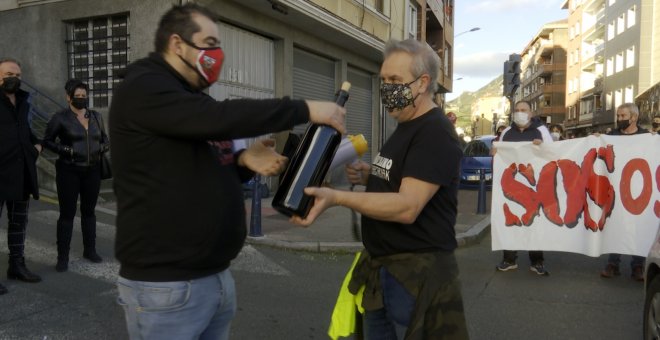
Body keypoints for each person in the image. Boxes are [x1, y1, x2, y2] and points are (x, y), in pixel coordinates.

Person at [109, 4, 345, 339]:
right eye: (208, 42)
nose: (217, 53)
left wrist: (242, 163)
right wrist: (304, 109)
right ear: (177, 44)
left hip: (212, 278)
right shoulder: (146, 88)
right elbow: (221, 117)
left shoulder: (188, 100)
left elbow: (193, 172)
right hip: (167, 286)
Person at [291, 39, 468, 339]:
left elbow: (407, 206)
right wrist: (369, 175)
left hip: (415, 279)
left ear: (423, 83)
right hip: (383, 273)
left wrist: (337, 198)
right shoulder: (406, 125)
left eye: (395, 80)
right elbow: (399, 178)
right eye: (383, 80)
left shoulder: (434, 132)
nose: (386, 88)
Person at [42, 79, 109, 272]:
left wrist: (102, 147)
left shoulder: (96, 116)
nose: (81, 99)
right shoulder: (60, 118)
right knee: (67, 214)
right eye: (77, 96)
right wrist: (67, 150)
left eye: (83, 96)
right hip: (68, 170)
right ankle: (62, 257)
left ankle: (90, 250)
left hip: (92, 170)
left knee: (89, 212)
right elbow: (47, 141)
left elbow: (105, 139)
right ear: (68, 97)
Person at [493, 100, 553, 276]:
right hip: (511, 185)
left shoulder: (541, 131)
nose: (520, 113)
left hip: (534, 185)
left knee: (534, 222)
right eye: (517, 110)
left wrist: (541, 148)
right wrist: (495, 153)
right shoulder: (506, 132)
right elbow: (500, 155)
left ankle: (537, 261)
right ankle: (509, 259)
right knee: (510, 220)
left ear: (531, 113)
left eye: (523, 110)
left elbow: (552, 153)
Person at [0, 58, 42, 295]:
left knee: (19, 223)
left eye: (17, 74)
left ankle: (16, 266)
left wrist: (37, 146)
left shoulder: (24, 101)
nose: (13, 78)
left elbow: (25, 129)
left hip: (21, 172)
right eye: (8, 73)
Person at [600, 103, 650, 281]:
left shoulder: (647, 137)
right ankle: (613, 263)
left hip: (640, 190)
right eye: (618, 116)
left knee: (640, 227)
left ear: (634, 117)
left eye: (623, 116)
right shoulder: (611, 136)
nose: (619, 119)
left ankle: (638, 265)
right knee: (615, 224)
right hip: (615, 189)